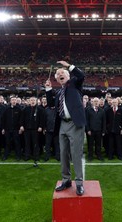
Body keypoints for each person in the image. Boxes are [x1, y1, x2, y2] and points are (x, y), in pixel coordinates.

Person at [45, 60, 86, 196]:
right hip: (62, 124)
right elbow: (51, 104)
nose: (59, 74)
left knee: (76, 154)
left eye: (62, 72)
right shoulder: (59, 92)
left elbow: (81, 75)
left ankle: (79, 183)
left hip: (75, 124)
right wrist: (48, 89)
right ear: (56, 79)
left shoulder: (74, 84)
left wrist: (69, 66)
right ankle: (66, 180)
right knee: (63, 154)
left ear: (68, 76)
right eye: (57, 74)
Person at [20, 96, 44, 163]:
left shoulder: (39, 109)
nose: (32, 101)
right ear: (29, 101)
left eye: (34, 100)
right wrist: (21, 125)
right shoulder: (25, 109)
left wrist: (40, 126)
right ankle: (27, 156)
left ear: (36, 101)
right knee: (27, 143)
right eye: (31, 100)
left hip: (35, 130)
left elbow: (42, 119)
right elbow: (22, 118)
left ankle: (36, 156)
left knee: (36, 143)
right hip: (26, 129)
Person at [2, 95, 23, 161]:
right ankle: (5, 155)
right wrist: (3, 128)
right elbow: (3, 119)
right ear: (10, 101)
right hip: (7, 129)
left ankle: (18, 156)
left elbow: (21, 119)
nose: (14, 101)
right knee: (7, 143)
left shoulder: (19, 109)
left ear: (16, 101)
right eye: (12, 100)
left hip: (16, 129)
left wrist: (20, 128)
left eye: (15, 100)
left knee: (17, 143)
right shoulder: (6, 109)